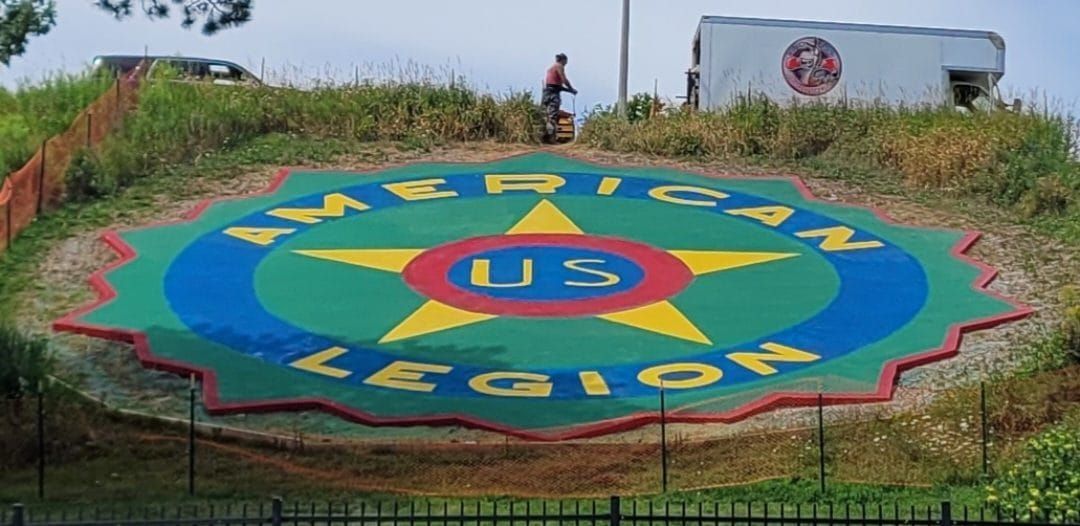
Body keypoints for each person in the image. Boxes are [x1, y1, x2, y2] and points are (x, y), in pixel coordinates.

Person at [542, 53, 577, 142]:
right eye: (566, 61)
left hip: (547, 92)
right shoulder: (559, 66)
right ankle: (550, 139)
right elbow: (564, 80)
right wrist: (571, 89)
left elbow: (556, 86)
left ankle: (545, 137)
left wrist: (569, 91)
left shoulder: (551, 68)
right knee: (552, 116)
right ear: (563, 60)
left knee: (545, 114)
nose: (566, 63)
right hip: (553, 94)